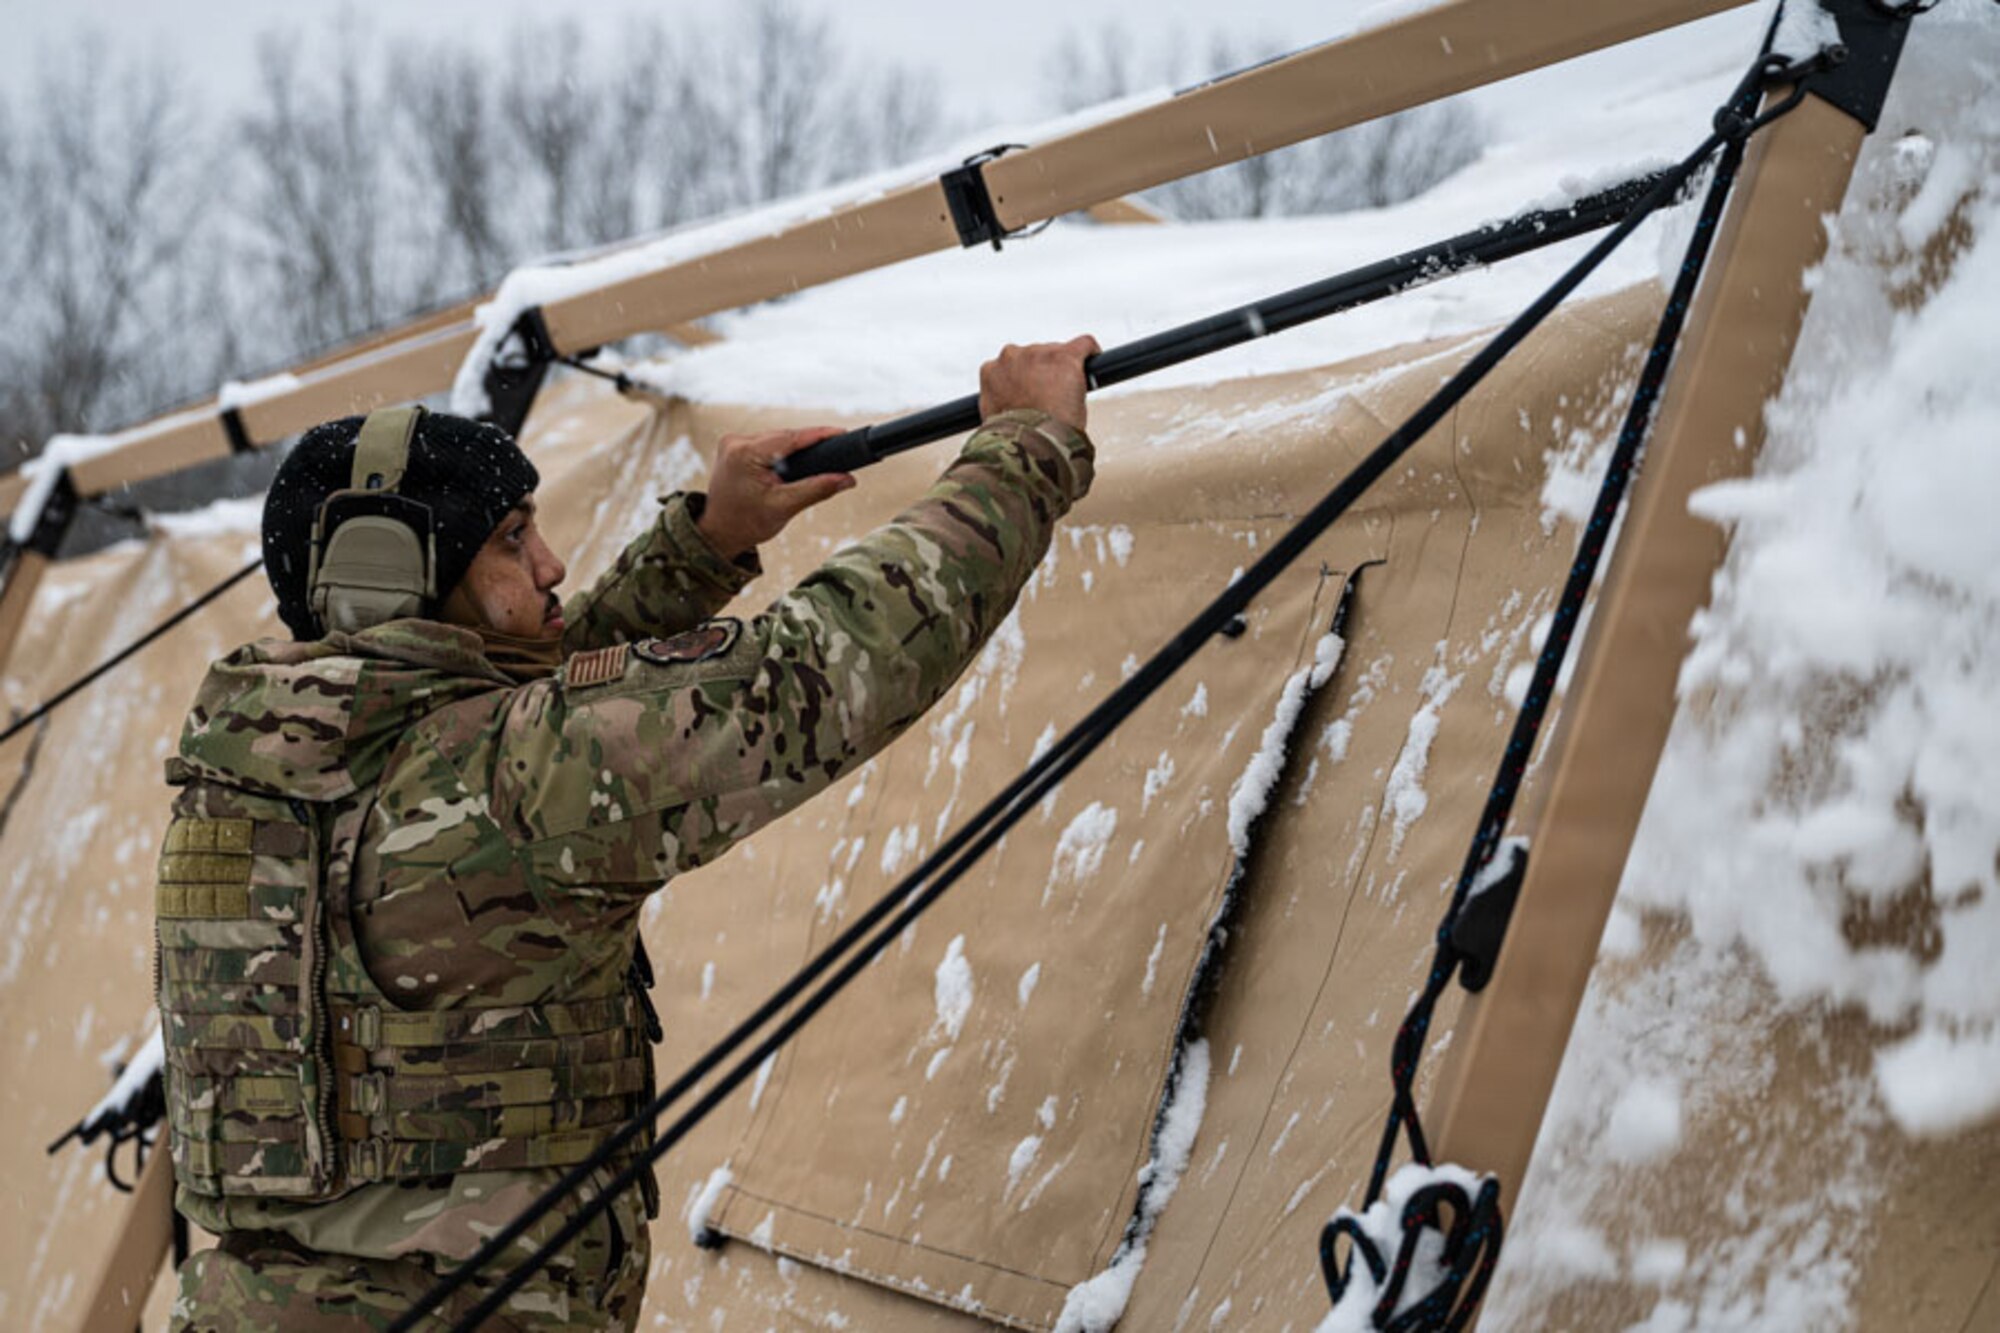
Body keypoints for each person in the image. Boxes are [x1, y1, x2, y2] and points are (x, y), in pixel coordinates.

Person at [156, 337, 1100, 1332]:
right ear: (392, 569)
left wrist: (701, 546)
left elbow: (517, 724)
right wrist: (1025, 449)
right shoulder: (500, 779)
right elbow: (823, 669)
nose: (553, 563)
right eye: (511, 540)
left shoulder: (260, 769)